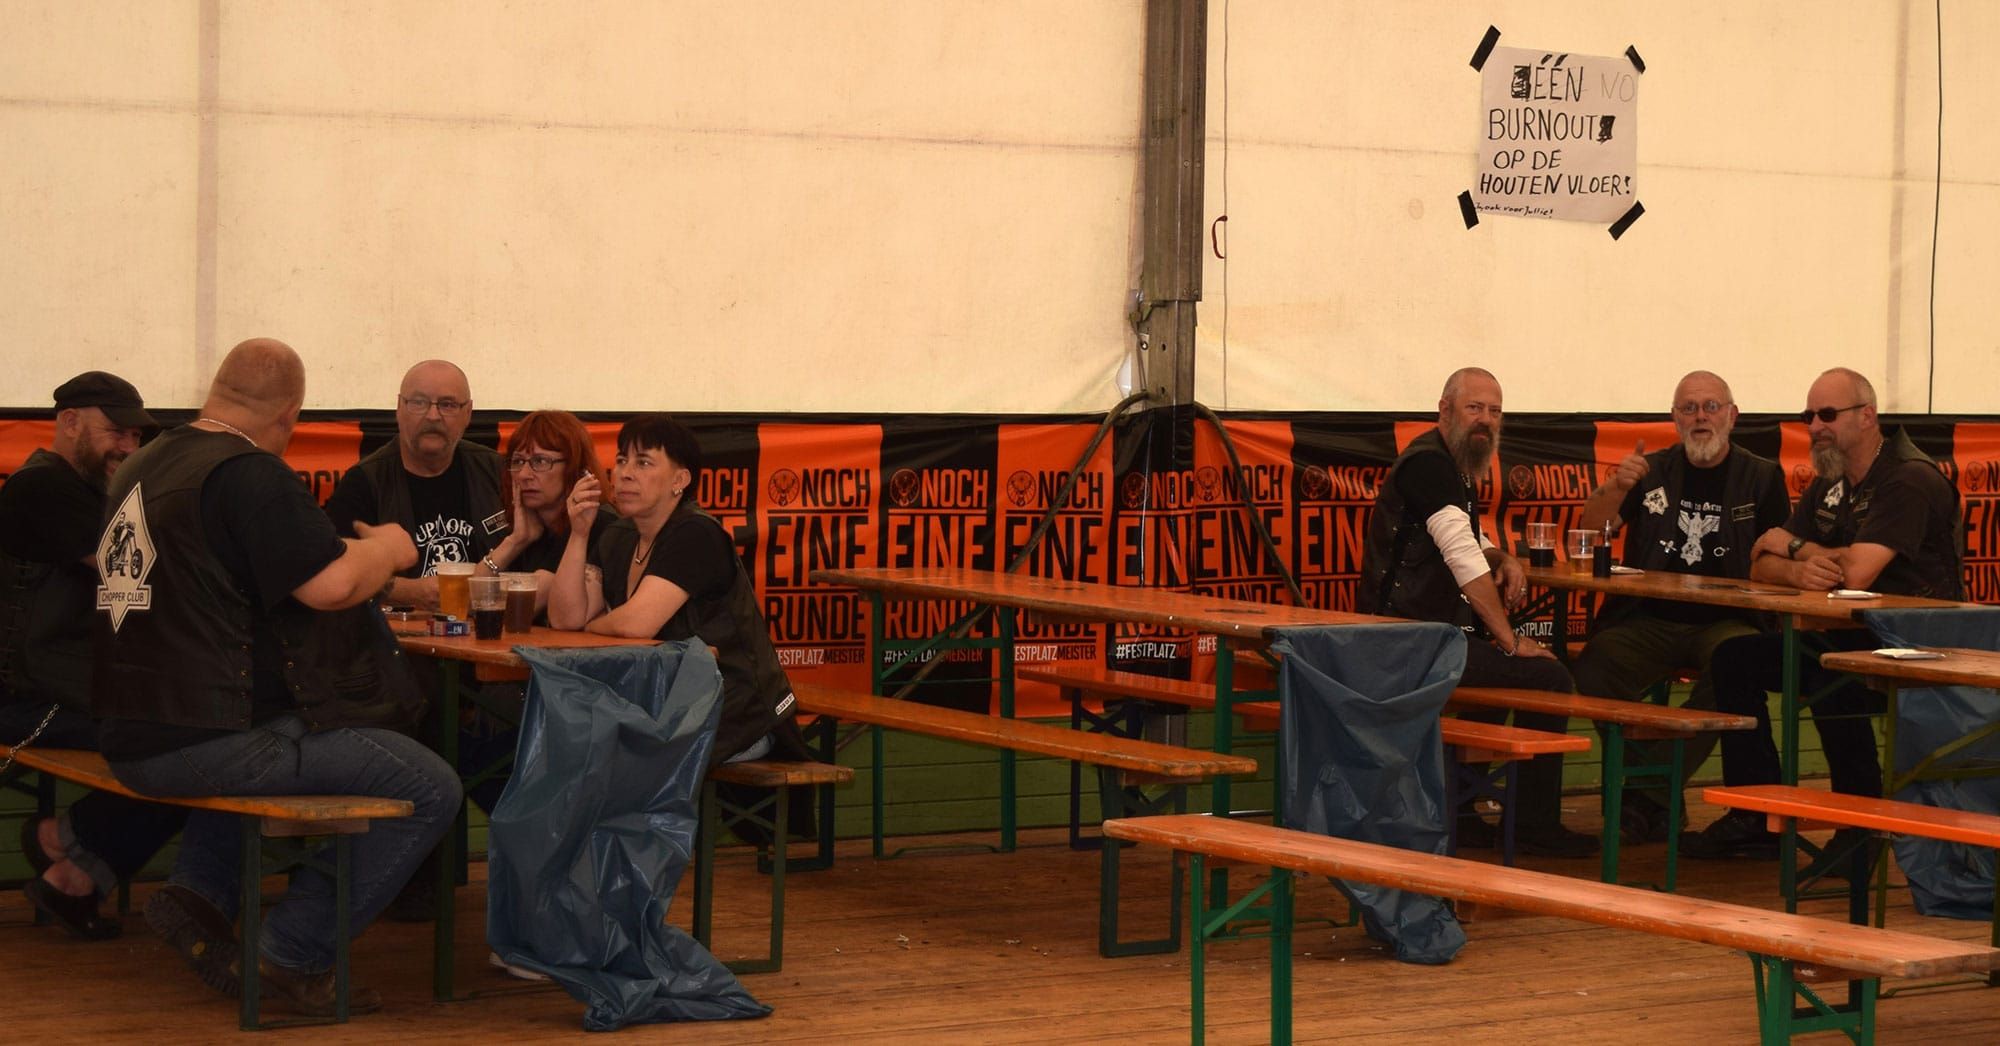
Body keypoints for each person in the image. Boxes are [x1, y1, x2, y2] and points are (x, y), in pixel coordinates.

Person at [92, 339, 462, 1016]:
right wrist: (387, 548)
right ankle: (291, 953)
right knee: (430, 784)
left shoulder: (144, 462)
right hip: (207, 735)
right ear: (291, 413)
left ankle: (200, 897)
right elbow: (332, 585)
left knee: (292, 729)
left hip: (129, 729)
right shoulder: (248, 472)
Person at [1682, 367, 1965, 861]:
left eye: (1828, 415)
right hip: (1854, 633)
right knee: (1735, 658)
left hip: (1918, 645)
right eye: (1808, 416)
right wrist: (1799, 569)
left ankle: (1861, 826)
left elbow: (1853, 573)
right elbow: (1759, 562)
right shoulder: (1831, 480)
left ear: (1868, 416)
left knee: (1831, 673)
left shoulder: (1909, 478)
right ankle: (1755, 814)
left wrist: (1796, 548)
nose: (1815, 427)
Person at [1357, 368, 1596, 857]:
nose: (1486, 419)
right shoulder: (1430, 465)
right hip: (1405, 642)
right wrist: (1509, 639)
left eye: (1495, 411)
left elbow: (1468, 537)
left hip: (1419, 638)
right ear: (1444, 410)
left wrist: (1502, 556)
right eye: (1474, 408)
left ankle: (1463, 813)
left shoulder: (1448, 461)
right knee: (1547, 676)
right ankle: (1530, 823)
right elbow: (1460, 553)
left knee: (1499, 673)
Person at [1569, 371, 1790, 844]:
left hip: (1727, 621)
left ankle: (1646, 793)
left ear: (1732, 416)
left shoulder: (1761, 476)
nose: (1700, 417)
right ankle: (1655, 791)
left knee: (1735, 665)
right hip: (1648, 618)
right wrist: (1616, 487)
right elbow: (1589, 534)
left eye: (1711, 407)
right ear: (1674, 418)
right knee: (1595, 665)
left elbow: (1779, 554)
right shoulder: (1650, 470)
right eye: (1689, 408)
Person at [0, 371, 184, 939]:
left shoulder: (93, 493)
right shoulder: (41, 489)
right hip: (29, 701)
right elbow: (139, 572)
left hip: (70, 689)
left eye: (136, 436)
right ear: (70, 422)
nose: (128, 447)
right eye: (116, 433)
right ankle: (70, 851)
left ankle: (70, 863)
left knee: (205, 730)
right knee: (192, 741)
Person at [548, 413, 800, 767]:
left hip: (733, 713)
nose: (625, 473)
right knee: (572, 740)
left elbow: (635, 624)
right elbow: (564, 618)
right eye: (621, 460)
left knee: (603, 756)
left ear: (680, 480)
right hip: (663, 708)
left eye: (643, 462)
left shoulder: (696, 534)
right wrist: (579, 533)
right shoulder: (618, 535)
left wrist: (592, 626)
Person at [323, 359, 507, 609]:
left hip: (488, 629)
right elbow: (333, 572)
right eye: (419, 403)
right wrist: (406, 591)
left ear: (468, 413)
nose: (433, 416)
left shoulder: (496, 471)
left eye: (448, 404)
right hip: (401, 631)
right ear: (399, 408)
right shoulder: (364, 481)